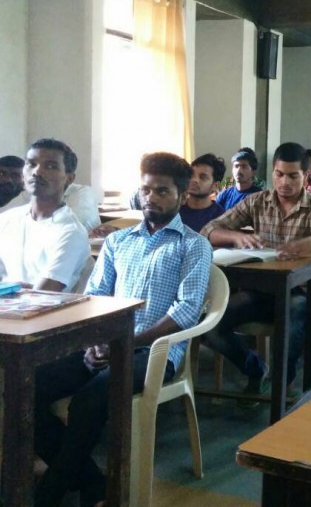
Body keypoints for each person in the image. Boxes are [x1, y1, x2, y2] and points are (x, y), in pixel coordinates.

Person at [33, 152, 212, 507]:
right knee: (28, 387)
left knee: (89, 401)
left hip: (155, 351)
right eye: (146, 189)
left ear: (181, 196)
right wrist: (95, 341)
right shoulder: (119, 241)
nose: (151, 197)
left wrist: (126, 341)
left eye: (162, 191)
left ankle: (49, 494)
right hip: (105, 345)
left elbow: (186, 311)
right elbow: (95, 297)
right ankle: (92, 482)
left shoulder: (193, 245)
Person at [201, 142, 311, 399]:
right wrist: (235, 237)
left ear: (306, 175)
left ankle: (282, 384)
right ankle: (257, 370)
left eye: (292, 176)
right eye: (279, 174)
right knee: (211, 324)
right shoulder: (257, 202)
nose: (284, 182)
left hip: (300, 292)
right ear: (272, 172)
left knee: (295, 314)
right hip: (260, 292)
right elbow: (208, 230)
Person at [0, 139, 90, 292]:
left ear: (69, 178)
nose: (37, 172)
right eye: (31, 164)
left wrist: (10, 288)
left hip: (40, 308)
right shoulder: (6, 220)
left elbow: (42, 295)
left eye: (50, 166)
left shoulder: (71, 232)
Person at [180, 153, 226, 232]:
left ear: (215, 185)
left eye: (203, 177)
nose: (194, 180)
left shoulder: (221, 218)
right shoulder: (175, 210)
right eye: (191, 175)